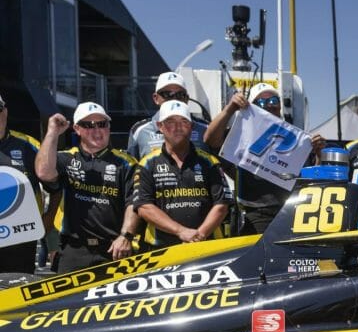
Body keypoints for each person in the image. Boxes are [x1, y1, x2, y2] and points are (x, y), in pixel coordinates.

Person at [204, 82, 324, 233]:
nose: (269, 105)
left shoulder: (297, 140)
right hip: (255, 215)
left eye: (274, 100)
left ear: (280, 106)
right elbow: (210, 139)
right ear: (252, 106)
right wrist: (230, 108)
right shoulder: (240, 135)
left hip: (292, 213)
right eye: (261, 102)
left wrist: (319, 153)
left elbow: (312, 177)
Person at [36, 102, 140, 272]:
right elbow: (43, 172)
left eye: (102, 124)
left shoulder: (126, 163)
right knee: (68, 299)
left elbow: (134, 203)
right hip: (74, 249)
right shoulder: (67, 159)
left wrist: (125, 236)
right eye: (88, 125)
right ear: (77, 129)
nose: (97, 130)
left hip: (114, 248)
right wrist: (52, 132)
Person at [133, 101, 229, 247]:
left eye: (184, 121)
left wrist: (199, 235)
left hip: (207, 246)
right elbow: (144, 207)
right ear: (160, 126)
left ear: (191, 126)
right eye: (170, 122)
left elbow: (221, 205)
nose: (177, 127)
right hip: (160, 248)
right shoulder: (147, 163)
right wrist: (181, 231)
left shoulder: (209, 162)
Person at [0, 92, 58, 273]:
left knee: (19, 296)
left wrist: (48, 225)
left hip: (20, 241)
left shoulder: (28, 145)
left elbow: (57, 187)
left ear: (6, 112)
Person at [127, 71, 210, 159]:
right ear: (156, 98)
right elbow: (132, 168)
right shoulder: (139, 131)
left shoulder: (205, 129)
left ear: (187, 99)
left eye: (180, 95)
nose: (174, 99)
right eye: (167, 94)